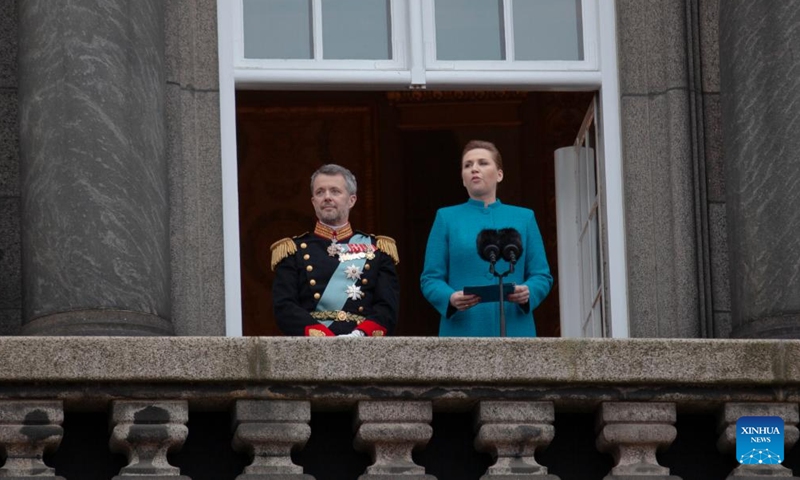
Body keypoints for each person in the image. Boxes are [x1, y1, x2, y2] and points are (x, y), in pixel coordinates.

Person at [420, 140, 553, 337]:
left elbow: (542, 275)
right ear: (463, 179)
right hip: (463, 329)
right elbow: (430, 278)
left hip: (515, 328)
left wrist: (528, 292)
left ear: (499, 174)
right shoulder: (446, 218)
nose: (474, 169)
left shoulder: (524, 218)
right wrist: (450, 298)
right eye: (468, 165)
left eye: (483, 163)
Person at [271, 164, 400, 337]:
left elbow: (387, 307)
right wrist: (321, 336)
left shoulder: (378, 249)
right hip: (311, 346)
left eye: (335, 191)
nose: (327, 197)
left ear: (352, 200)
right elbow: (284, 306)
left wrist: (361, 334)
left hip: (363, 346)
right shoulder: (293, 250)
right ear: (313, 201)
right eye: (320, 192)